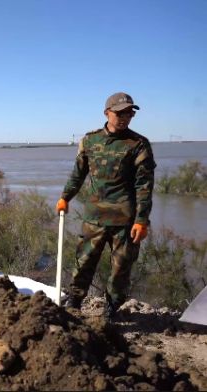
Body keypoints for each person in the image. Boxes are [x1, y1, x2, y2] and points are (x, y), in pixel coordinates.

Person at [56, 92, 156, 320]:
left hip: (126, 221)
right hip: (94, 218)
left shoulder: (139, 144)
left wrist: (142, 220)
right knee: (83, 263)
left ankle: (112, 309)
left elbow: (145, 186)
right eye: (120, 112)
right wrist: (65, 197)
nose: (125, 117)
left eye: (129, 113)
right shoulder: (90, 140)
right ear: (107, 113)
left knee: (121, 269)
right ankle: (74, 301)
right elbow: (77, 174)